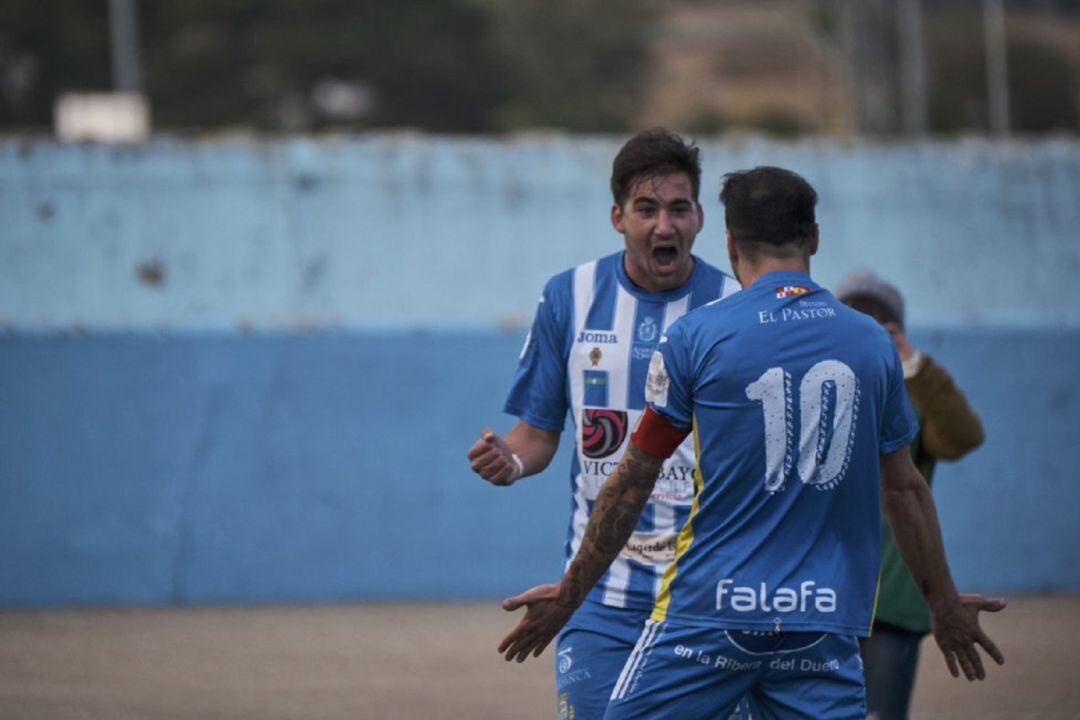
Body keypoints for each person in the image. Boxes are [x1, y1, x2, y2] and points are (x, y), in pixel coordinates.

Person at [497, 166, 1005, 719]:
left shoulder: (695, 335)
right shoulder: (870, 345)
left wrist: (571, 592)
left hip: (710, 618)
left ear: (731, 240)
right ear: (814, 236)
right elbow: (904, 490)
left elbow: (633, 479)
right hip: (822, 622)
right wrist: (943, 603)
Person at [465, 128, 740, 719]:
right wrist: (511, 460)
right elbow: (536, 433)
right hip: (598, 597)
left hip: (707, 598)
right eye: (646, 209)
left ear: (698, 218)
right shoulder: (569, 296)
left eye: (678, 209)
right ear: (618, 217)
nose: (662, 226)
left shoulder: (732, 304)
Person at [836, 270, 986, 720]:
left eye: (882, 323)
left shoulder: (910, 394)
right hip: (827, 594)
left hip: (894, 597)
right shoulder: (821, 386)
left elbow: (961, 437)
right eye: (855, 318)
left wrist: (914, 365)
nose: (868, 327)